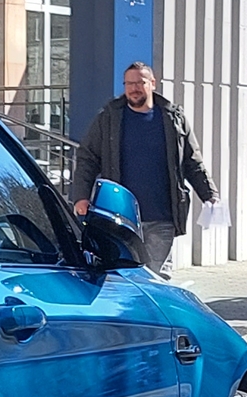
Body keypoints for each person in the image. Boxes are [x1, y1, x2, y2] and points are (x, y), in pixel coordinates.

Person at [69, 62, 215, 280]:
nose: (134, 88)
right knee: (123, 276)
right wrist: (81, 196)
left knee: (155, 277)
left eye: (140, 82)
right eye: (129, 83)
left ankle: (154, 314)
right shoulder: (108, 118)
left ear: (152, 84)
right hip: (120, 215)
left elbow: (192, 161)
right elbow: (87, 157)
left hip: (161, 216)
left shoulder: (172, 118)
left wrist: (210, 195)